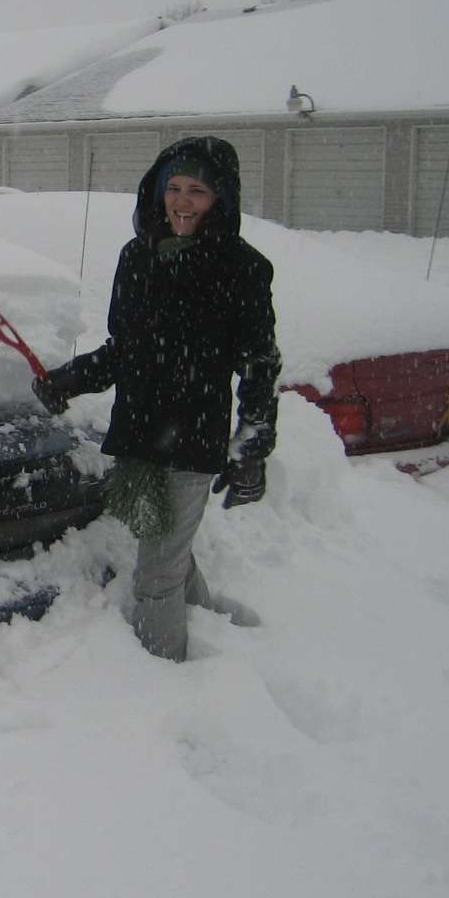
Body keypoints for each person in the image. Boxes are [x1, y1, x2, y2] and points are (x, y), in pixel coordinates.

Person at [33, 135, 280, 662]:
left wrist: (252, 447)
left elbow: (259, 365)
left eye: (197, 191)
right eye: (174, 188)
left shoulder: (243, 268)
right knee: (168, 548)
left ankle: (166, 682)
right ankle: (215, 630)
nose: (182, 201)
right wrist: (68, 379)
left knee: (154, 577)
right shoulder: (137, 256)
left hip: (192, 439)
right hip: (140, 436)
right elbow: (125, 349)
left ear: (220, 199)